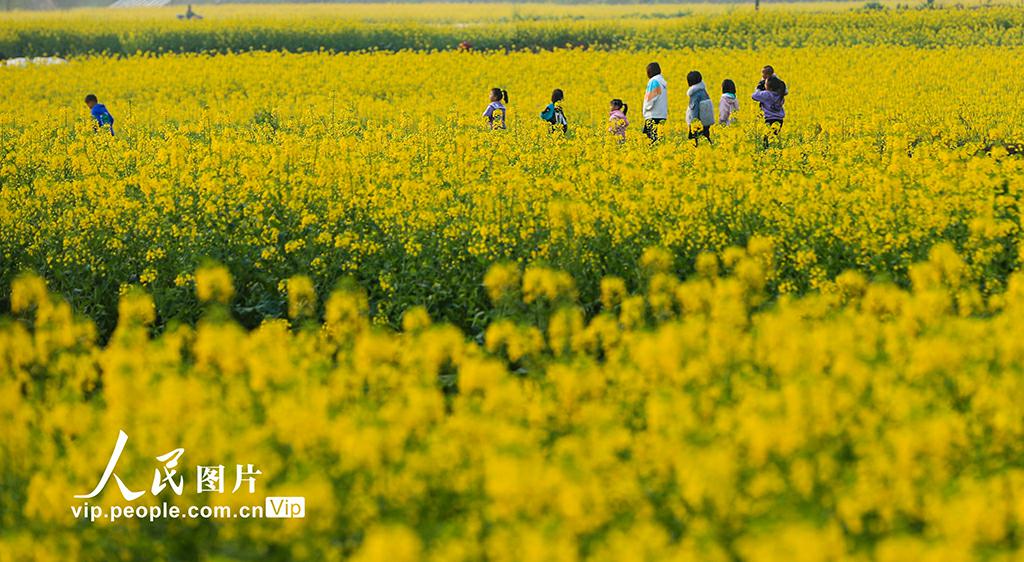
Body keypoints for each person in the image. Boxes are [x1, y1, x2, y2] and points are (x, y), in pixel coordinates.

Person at [752, 75, 786, 147]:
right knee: (773, 139)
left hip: (769, 120)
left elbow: (754, 96)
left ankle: (767, 154)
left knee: (766, 141)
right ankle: (774, 152)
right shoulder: (780, 94)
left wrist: (758, 88)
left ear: (769, 87)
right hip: (779, 120)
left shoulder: (766, 94)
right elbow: (785, 90)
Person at [685, 71, 715, 146]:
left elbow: (693, 109)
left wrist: (693, 124)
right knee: (706, 138)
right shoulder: (704, 92)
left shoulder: (695, 94)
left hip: (697, 124)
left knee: (694, 143)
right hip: (706, 122)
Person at [642, 62, 667, 143]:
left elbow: (650, 99)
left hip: (653, 116)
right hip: (661, 115)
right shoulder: (661, 82)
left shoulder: (654, 81)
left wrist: (646, 108)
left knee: (648, 142)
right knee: (658, 141)